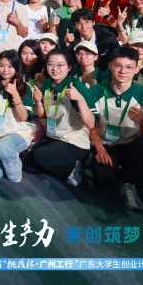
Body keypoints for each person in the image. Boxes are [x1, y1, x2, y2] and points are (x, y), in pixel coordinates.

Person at [85, 47, 143, 210]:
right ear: (110, 66)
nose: (123, 71)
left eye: (129, 67)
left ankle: (130, 183)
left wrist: (142, 121)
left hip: (131, 146)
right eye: (118, 65)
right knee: (104, 180)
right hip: (106, 144)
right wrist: (100, 149)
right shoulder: (96, 91)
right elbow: (91, 126)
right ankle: (121, 173)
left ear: (137, 69)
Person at [24, 48, 95, 186]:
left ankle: (74, 166)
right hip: (53, 135)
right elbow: (42, 115)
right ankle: (63, 165)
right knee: (28, 167)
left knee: (41, 156)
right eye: (50, 64)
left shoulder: (76, 86)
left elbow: (91, 123)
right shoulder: (47, 84)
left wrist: (79, 99)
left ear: (69, 68)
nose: (54, 68)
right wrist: (38, 101)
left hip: (73, 140)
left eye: (60, 65)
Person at [0, 50, 35, 183]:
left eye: (10, 66)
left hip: (17, 132)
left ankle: (13, 167)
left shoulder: (25, 88)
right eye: (1, 65)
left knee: (3, 149)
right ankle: (4, 156)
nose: (5, 70)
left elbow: (23, 118)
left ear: (16, 68)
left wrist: (15, 94)